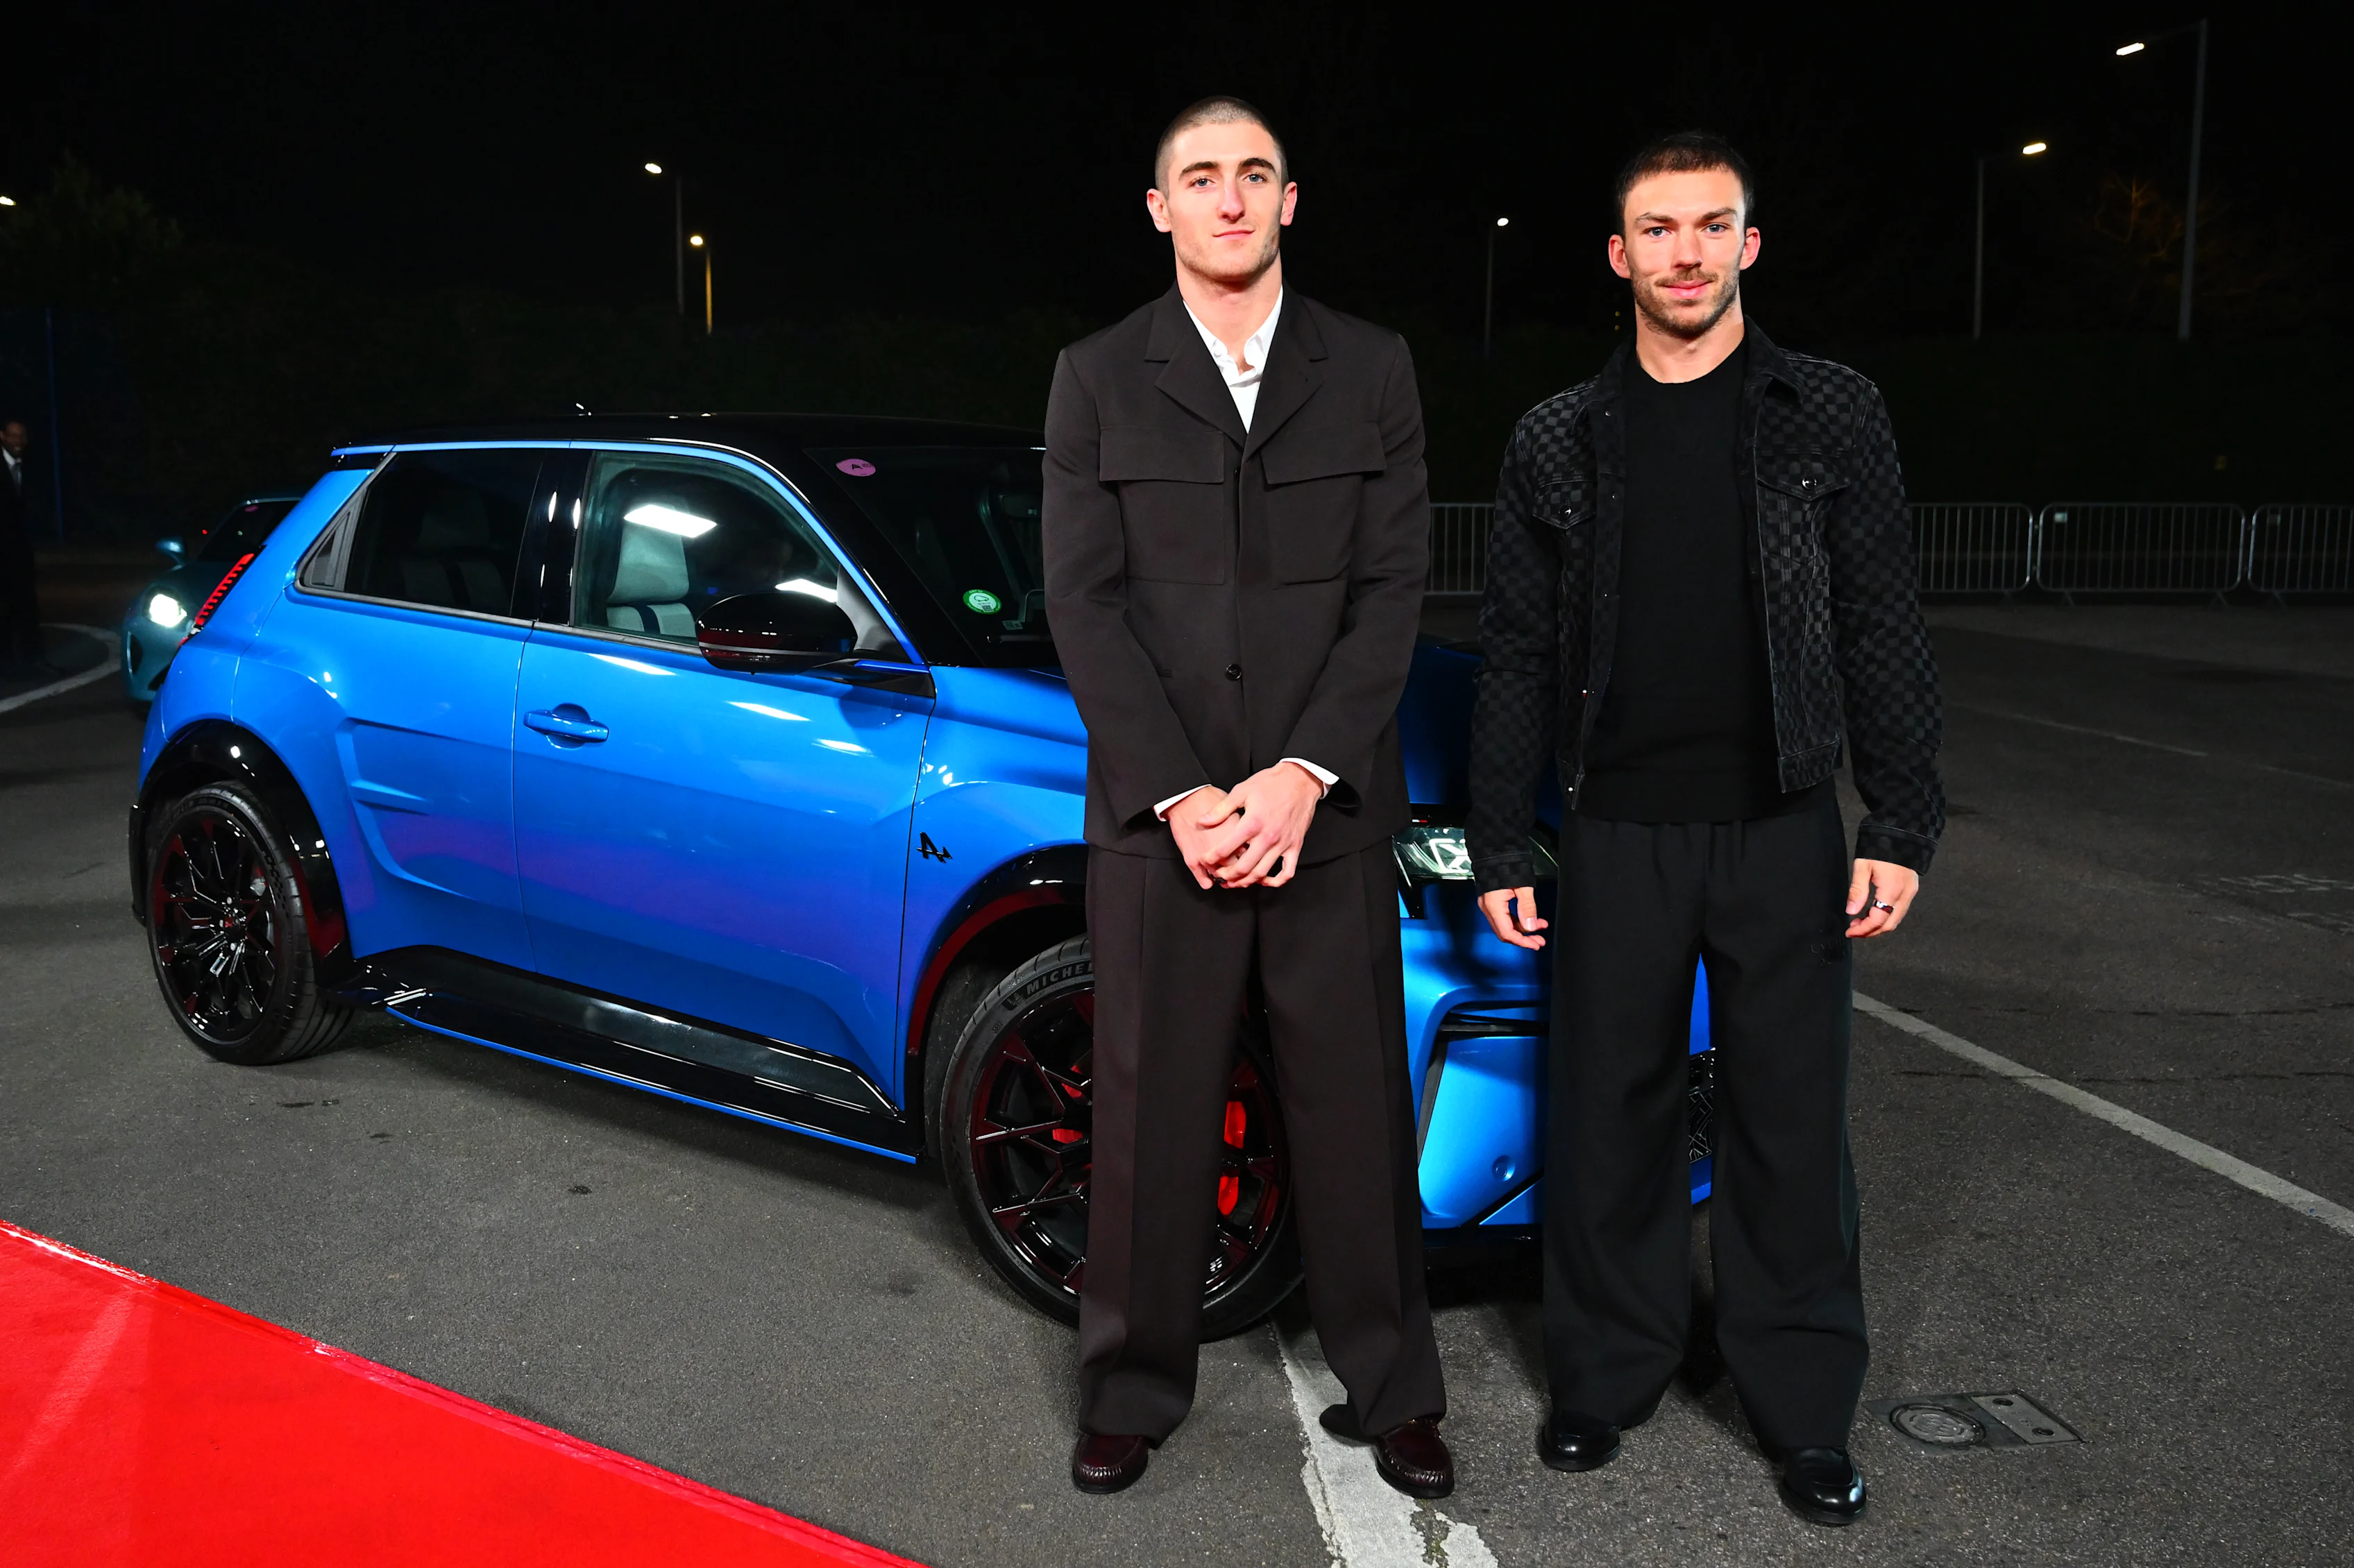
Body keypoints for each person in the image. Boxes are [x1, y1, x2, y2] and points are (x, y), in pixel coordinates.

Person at [1466, 131, 1944, 1528]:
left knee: (1788, 1126)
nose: (1681, 250)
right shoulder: (1558, 435)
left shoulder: (1829, 410)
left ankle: (1800, 1407)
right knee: (1606, 1114)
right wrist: (1505, 841)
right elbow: (1510, 650)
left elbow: (1880, 621)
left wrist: (1900, 819)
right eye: (1654, 229)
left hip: (1784, 822)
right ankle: (1601, 1376)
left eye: (1708, 225)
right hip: (1613, 825)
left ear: (1747, 244)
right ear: (1618, 255)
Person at [1042, 96, 1450, 1500]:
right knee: (1149, 1114)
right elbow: (1083, 606)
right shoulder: (1095, 376)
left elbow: (1392, 590)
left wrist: (1299, 772)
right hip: (1165, 827)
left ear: (1291, 199)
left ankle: (1395, 1388)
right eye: (1198, 177)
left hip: (1321, 815)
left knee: (1353, 1109)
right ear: (1158, 207)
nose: (1228, 198)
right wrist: (1183, 792)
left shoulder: (1374, 369)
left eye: (1253, 174)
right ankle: (1131, 1387)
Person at [0, 417, 43, 671]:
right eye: (13, 436)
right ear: (2, 436)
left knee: (27, 604)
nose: (19, 442)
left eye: (22, 437)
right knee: (4, 608)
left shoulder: (25, 464)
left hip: (19, 550)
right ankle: (6, 663)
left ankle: (31, 659)